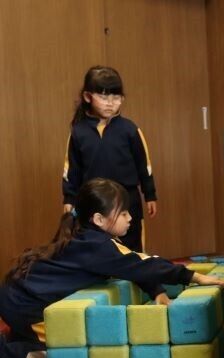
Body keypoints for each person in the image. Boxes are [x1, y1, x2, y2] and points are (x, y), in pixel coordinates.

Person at [0, 178, 224, 358]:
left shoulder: (94, 239)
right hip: (24, 304)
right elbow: (143, 264)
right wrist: (193, 277)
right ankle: (6, 354)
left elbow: (131, 265)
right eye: (123, 213)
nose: (130, 218)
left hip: (21, 295)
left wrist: (156, 290)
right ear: (99, 219)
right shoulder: (97, 246)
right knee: (66, 353)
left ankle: (20, 336)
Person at [63, 66, 157, 252]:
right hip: (94, 200)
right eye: (104, 97)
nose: (110, 103)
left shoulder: (130, 129)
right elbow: (71, 169)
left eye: (116, 97)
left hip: (127, 198)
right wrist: (69, 199)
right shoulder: (78, 132)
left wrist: (150, 194)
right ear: (87, 97)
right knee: (96, 248)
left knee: (131, 246)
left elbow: (144, 164)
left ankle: (134, 271)